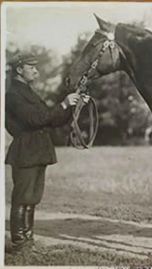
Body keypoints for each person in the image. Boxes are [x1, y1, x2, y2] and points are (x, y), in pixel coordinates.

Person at [5, 52, 86, 251]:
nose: (36, 70)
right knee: (23, 197)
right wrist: (63, 104)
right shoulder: (12, 95)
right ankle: (19, 242)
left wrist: (72, 107)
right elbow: (36, 119)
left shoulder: (27, 92)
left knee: (32, 197)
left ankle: (27, 240)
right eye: (31, 67)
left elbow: (51, 119)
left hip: (37, 150)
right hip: (26, 150)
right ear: (19, 70)